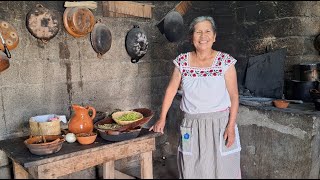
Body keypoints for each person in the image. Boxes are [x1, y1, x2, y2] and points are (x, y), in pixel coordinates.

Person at [149, 16, 241, 179]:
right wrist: (162, 118)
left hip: (219, 125)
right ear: (192, 37)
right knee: (191, 168)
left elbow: (234, 96)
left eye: (207, 31)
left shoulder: (225, 62)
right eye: (198, 32)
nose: (203, 36)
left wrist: (231, 126)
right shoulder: (182, 61)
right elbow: (171, 90)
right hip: (191, 125)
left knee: (223, 169)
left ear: (214, 37)